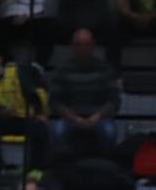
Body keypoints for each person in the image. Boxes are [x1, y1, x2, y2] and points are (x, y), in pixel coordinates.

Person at [0, 46, 49, 181]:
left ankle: (36, 170)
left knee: (40, 127)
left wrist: (39, 112)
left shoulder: (17, 73)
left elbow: (35, 93)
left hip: (24, 118)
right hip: (2, 121)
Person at [49, 29, 120, 160]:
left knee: (110, 132)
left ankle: (107, 169)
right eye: (78, 44)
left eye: (87, 44)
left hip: (99, 118)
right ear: (72, 47)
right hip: (69, 118)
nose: (83, 48)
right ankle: (58, 170)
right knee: (56, 131)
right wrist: (75, 119)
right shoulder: (62, 70)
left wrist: (96, 117)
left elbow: (114, 101)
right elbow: (55, 102)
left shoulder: (105, 69)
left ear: (93, 46)